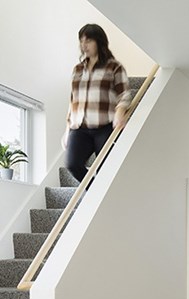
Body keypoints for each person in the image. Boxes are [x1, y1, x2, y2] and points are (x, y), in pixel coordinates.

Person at [63, 24, 131, 182]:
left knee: (105, 168)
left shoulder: (114, 67)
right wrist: (67, 128)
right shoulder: (78, 69)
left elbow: (125, 94)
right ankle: (94, 190)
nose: (83, 45)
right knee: (72, 164)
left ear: (99, 41)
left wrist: (120, 111)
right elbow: (73, 100)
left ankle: (102, 194)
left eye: (88, 40)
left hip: (104, 126)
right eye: (81, 41)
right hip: (80, 127)